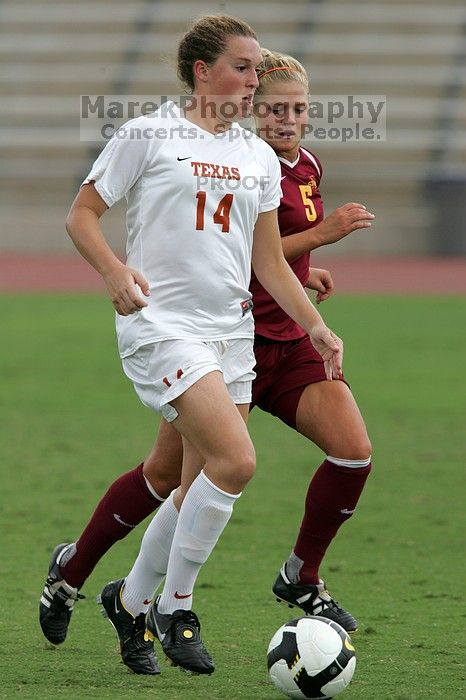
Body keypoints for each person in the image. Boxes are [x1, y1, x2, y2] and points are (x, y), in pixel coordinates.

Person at [39, 16, 344, 676]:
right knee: (235, 462)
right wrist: (116, 274)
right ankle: (175, 609)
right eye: (242, 66)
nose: (252, 79)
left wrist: (315, 325)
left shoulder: (257, 156)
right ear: (202, 71)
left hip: (231, 334)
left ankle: (130, 599)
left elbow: (267, 261)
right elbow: (81, 214)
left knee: (188, 482)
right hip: (161, 326)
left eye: (257, 68)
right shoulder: (149, 135)